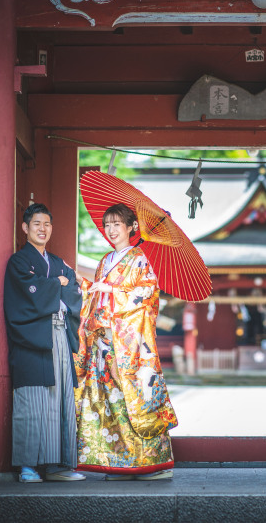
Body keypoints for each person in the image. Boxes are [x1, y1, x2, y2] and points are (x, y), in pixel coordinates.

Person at [75, 203, 176, 480]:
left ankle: (151, 463)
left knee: (138, 398)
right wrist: (82, 285)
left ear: (132, 227)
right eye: (108, 224)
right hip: (103, 342)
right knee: (111, 401)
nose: (111, 229)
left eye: (117, 224)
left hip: (129, 345)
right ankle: (121, 461)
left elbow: (146, 295)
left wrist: (112, 289)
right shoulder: (105, 260)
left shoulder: (140, 259)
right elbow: (95, 298)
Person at [3, 203, 86, 483]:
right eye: (36, 224)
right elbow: (31, 290)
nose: (42, 229)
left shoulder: (59, 262)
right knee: (32, 401)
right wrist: (57, 284)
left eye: (47, 224)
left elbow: (73, 288)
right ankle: (28, 466)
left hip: (59, 335)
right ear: (25, 228)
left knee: (60, 397)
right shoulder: (18, 262)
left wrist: (57, 282)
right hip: (32, 338)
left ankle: (57, 465)